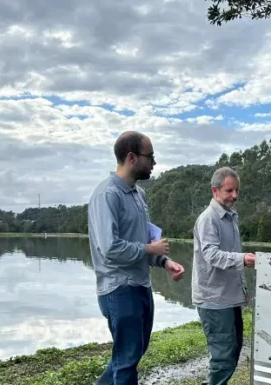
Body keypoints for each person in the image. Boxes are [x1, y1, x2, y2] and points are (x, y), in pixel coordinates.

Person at [88, 130, 186, 385]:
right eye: (150, 156)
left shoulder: (139, 195)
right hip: (118, 288)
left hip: (141, 285)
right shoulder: (107, 195)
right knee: (127, 360)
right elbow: (109, 248)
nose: (154, 162)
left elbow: (144, 240)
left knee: (131, 354)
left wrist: (164, 261)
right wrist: (149, 250)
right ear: (131, 157)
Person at [192, 166, 256, 385]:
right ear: (215, 191)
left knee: (233, 351)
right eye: (229, 191)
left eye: (237, 190)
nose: (235, 196)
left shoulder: (231, 217)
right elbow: (211, 255)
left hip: (229, 298)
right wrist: (242, 259)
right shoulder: (208, 218)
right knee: (223, 359)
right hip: (214, 300)